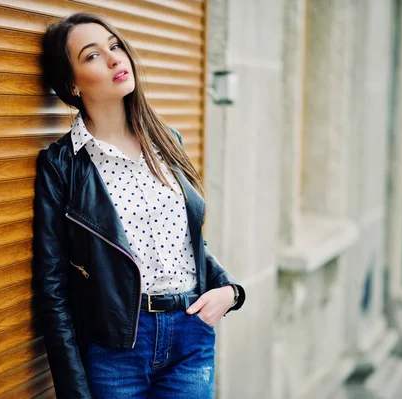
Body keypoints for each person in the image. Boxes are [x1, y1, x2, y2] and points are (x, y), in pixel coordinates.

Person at [34, 12, 246, 399]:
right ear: (72, 85)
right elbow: (53, 289)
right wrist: (74, 390)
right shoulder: (63, 165)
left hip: (190, 336)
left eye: (115, 46)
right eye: (92, 55)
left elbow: (188, 242)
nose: (115, 58)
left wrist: (230, 292)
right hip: (116, 349)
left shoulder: (167, 140)